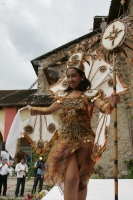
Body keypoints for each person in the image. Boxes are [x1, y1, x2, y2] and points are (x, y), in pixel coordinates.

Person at [20, 53, 120, 200]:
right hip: (66, 142)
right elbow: (48, 110)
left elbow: (104, 107)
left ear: (81, 77)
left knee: (82, 180)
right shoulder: (62, 96)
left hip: (85, 141)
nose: (70, 79)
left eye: (73, 76)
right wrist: (30, 109)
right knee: (71, 179)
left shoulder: (89, 94)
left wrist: (111, 102)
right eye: (68, 76)